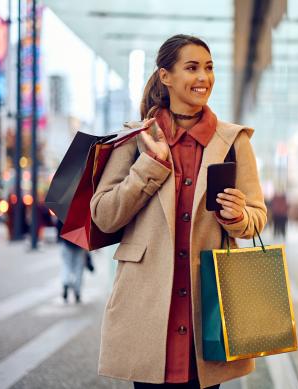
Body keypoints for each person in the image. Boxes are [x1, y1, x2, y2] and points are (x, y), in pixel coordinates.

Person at [89, 35, 267, 388]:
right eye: (192, 67)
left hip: (210, 310)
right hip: (147, 307)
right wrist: (150, 166)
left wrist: (239, 217)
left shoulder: (234, 142)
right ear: (165, 76)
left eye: (209, 67)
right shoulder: (135, 139)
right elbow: (104, 215)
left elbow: (257, 216)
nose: (204, 77)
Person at [56, 219, 86, 303]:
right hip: (80, 243)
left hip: (66, 243)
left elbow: (58, 227)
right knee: (78, 268)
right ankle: (77, 291)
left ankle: (65, 282)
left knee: (66, 265)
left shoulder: (65, 210)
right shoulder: (83, 212)